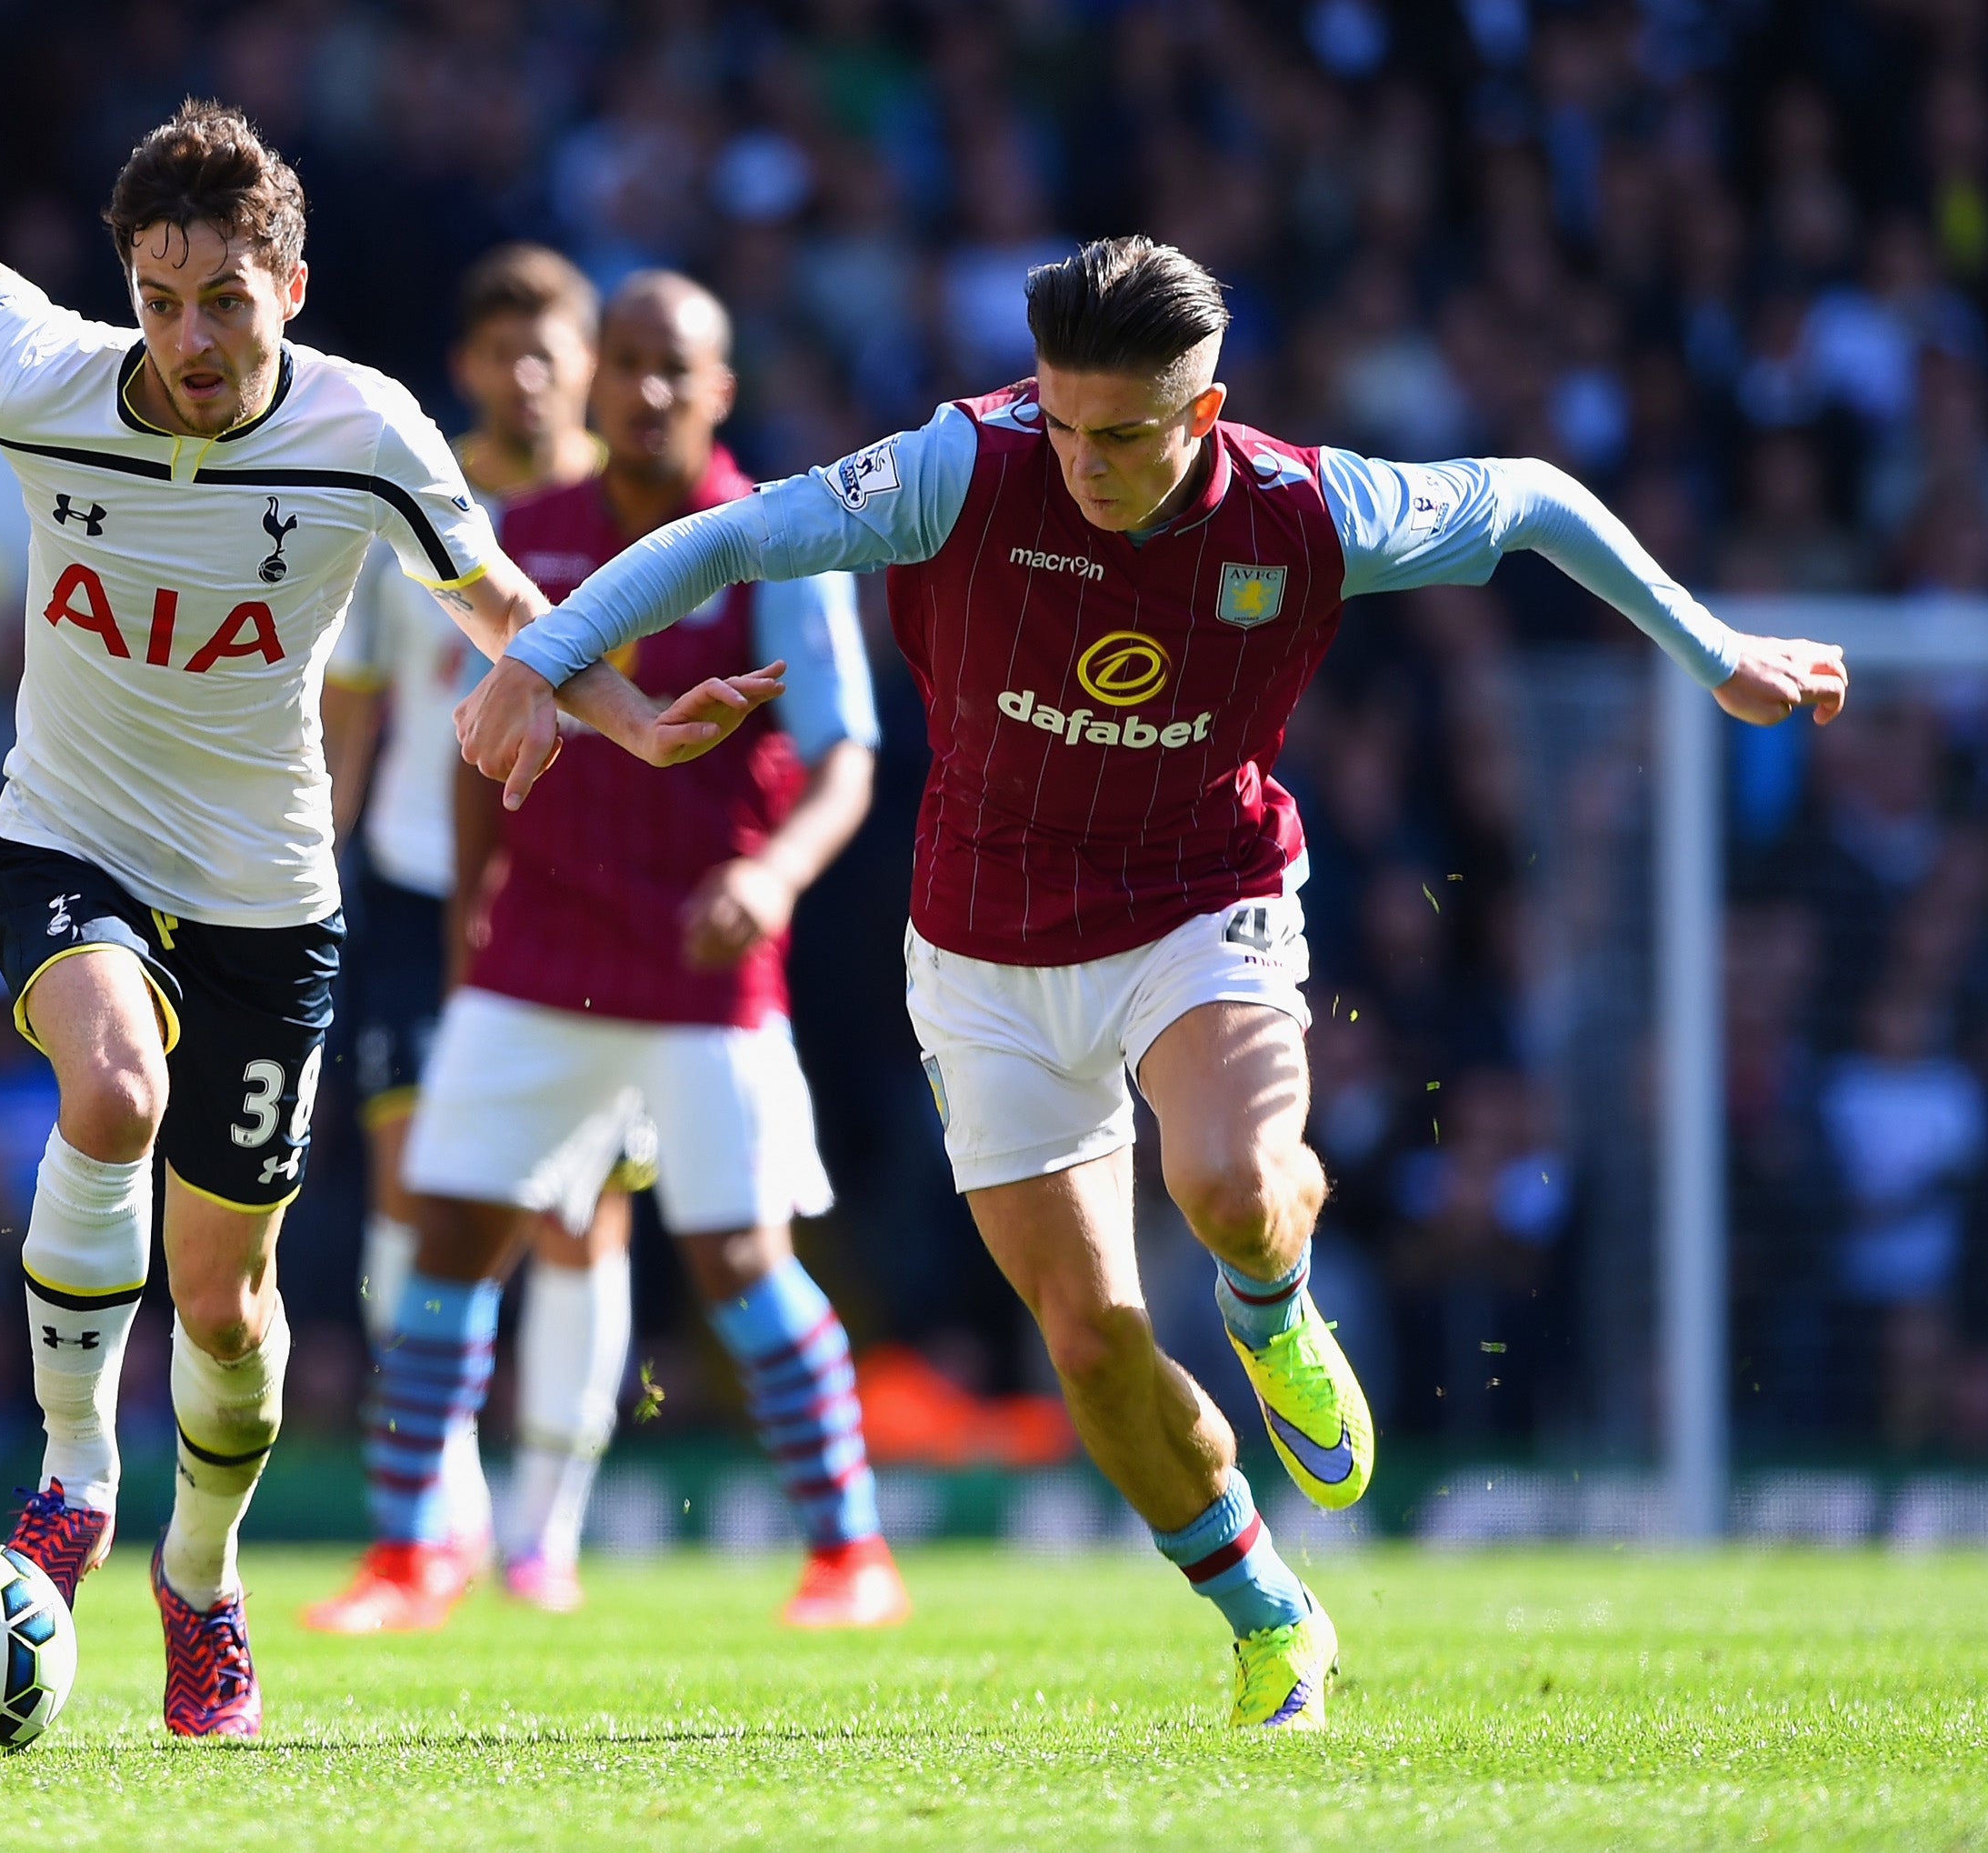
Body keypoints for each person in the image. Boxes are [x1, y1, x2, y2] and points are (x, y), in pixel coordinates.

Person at [459, 235, 1850, 1726]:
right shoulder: (959, 468)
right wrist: (541, 655)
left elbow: (1536, 500)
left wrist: (1714, 652)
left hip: (1202, 902)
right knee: (1090, 1340)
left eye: (1122, 435)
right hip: (986, 950)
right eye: (1061, 422)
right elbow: (728, 538)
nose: (1084, 463)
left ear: (1205, 409)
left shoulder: (1310, 508)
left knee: (1236, 1185)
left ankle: (1271, 1307)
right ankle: (1268, 1612)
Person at [0, 100, 780, 1739]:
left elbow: (506, 602)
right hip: (69, 838)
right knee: (113, 1089)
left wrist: (642, 720)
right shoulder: (56, 383)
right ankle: (71, 1479)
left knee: (226, 1306)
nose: (191, 336)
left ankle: (202, 1582)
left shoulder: (367, 433)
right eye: (160, 299)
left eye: (225, 297)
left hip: (265, 898)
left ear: (288, 284)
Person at [305, 270, 904, 1634]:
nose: (643, 391)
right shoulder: (529, 536)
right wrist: (470, 911)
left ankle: (849, 1549)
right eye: (624, 362)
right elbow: (480, 736)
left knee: (739, 1260)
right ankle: (408, 1555)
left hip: (703, 968)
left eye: (670, 369)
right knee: (448, 1229)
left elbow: (845, 758)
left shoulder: (774, 541)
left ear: (720, 391)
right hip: (538, 954)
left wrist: (771, 869)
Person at [321, 244, 644, 1607]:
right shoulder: (411, 500)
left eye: (550, 346)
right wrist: (312, 884)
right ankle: (436, 1514)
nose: (524, 373)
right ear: (462, 364)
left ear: (588, 362)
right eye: (498, 347)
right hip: (407, 889)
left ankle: (546, 1529)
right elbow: (349, 709)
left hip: (578, 908)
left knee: (577, 1219)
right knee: (415, 1198)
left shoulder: (638, 516)